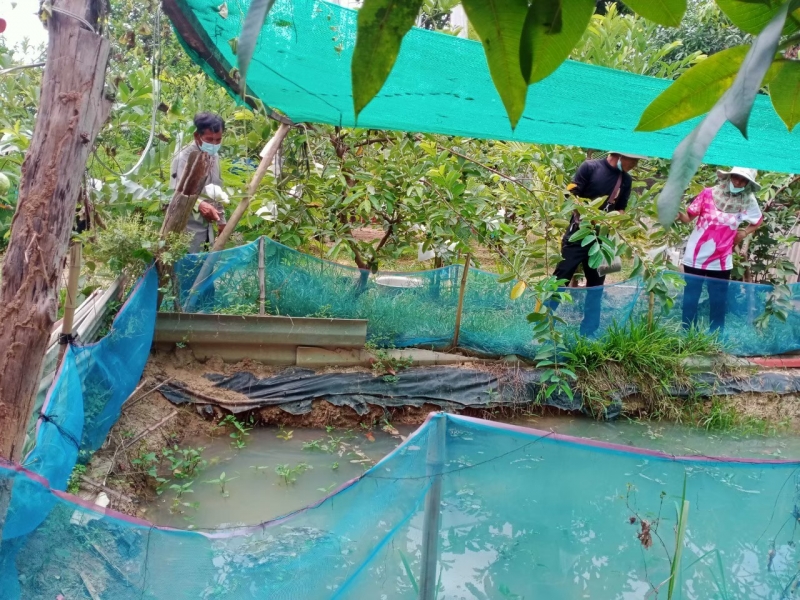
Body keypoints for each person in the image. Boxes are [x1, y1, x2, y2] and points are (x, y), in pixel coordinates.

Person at [550, 151, 644, 336]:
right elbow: (572, 196)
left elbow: (621, 208)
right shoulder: (590, 167)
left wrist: (615, 220)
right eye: (633, 160)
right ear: (619, 155)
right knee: (560, 278)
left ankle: (589, 332)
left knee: (596, 287)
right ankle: (545, 323)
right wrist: (590, 216)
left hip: (602, 241)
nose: (635, 164)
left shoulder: (626, 180)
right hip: (578, 235)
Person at [677, 167, 763, 333]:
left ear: (748, 183)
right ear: (729, 177)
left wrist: (743, 233)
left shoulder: (748, 201)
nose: (737, 182)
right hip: (695, 257)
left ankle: (716, 338)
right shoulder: (708, 193)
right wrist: (678, 214)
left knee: (718, 301)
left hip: (721, 260)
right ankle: (687, 335)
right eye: (735, 177)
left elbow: (758, 221)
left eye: (743, 180)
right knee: (690, 298)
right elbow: (688, 218)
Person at [169, 112, 228, 253]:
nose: (214, 144)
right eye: (209, 139)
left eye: (218, 140)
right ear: (197, 136)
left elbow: (216, 190)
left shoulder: (214, 156)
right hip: (186, 228)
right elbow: (176, 193)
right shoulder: (183, 158)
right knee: (185, 262)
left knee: (204, 263)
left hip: (207, 229)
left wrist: (221, 221)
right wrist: (200, 204)